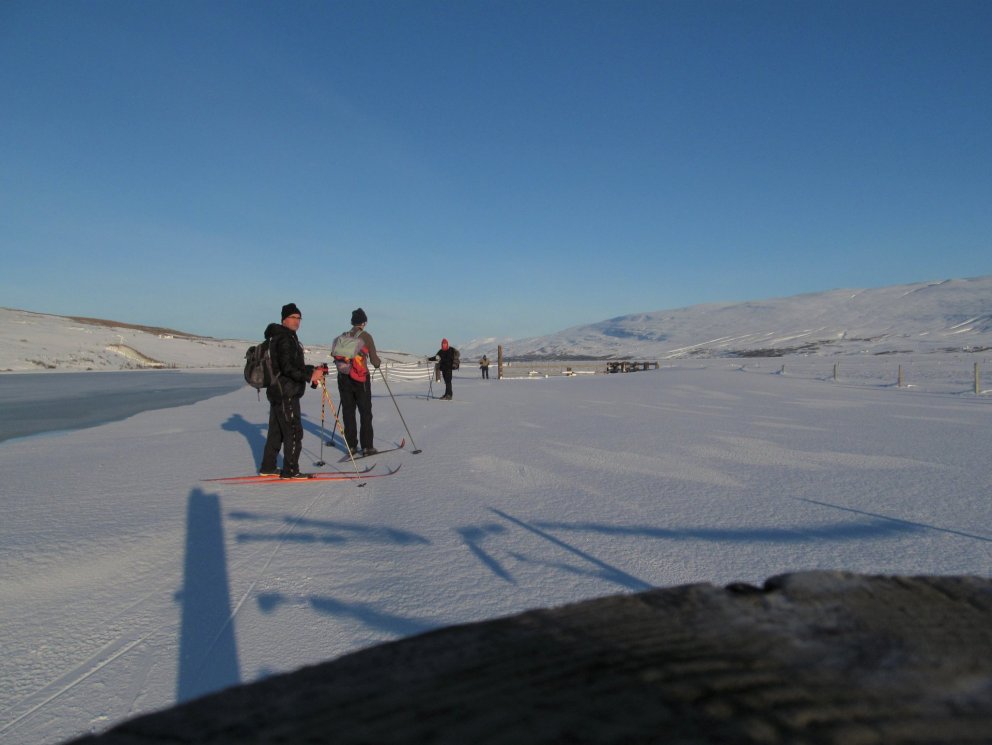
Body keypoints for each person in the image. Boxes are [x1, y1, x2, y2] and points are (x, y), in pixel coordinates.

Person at [259, 303, 326, 479]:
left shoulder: (281, 337)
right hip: (286, 392)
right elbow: (288, 368)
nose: (297, 321)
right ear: (284, 319)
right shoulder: (285, 339)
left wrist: (311, 370)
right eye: (293, 318)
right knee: (294, 431)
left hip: (277, 391)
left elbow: (292, 365)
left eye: (299, 318)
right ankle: (291, 470)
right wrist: (310, 376)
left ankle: (268, 467)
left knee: (277, 432)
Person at [335, 308, 381, 456]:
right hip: (361, 380)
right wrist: (377, 363)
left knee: (348, 412)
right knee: (365, 412)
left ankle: (351, 447)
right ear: (364, 322)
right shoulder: (366, 336)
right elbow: (374, 360)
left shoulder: (343, 336)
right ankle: (367, 446)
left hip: (344, 378)